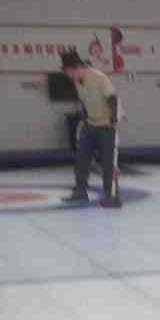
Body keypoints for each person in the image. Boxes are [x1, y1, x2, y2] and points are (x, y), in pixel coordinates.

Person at [60, 50, 122, 208]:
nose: (69, 76)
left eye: (69, 72)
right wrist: (85, 118)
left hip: (106, 126)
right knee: (81, 157)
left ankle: (110, 194)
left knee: (107, 162)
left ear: (77, 67)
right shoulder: (77, 81)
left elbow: (112, 98)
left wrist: (113, 119)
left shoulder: (99, 77)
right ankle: (80, 190)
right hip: (90, 124)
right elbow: (84, 101)